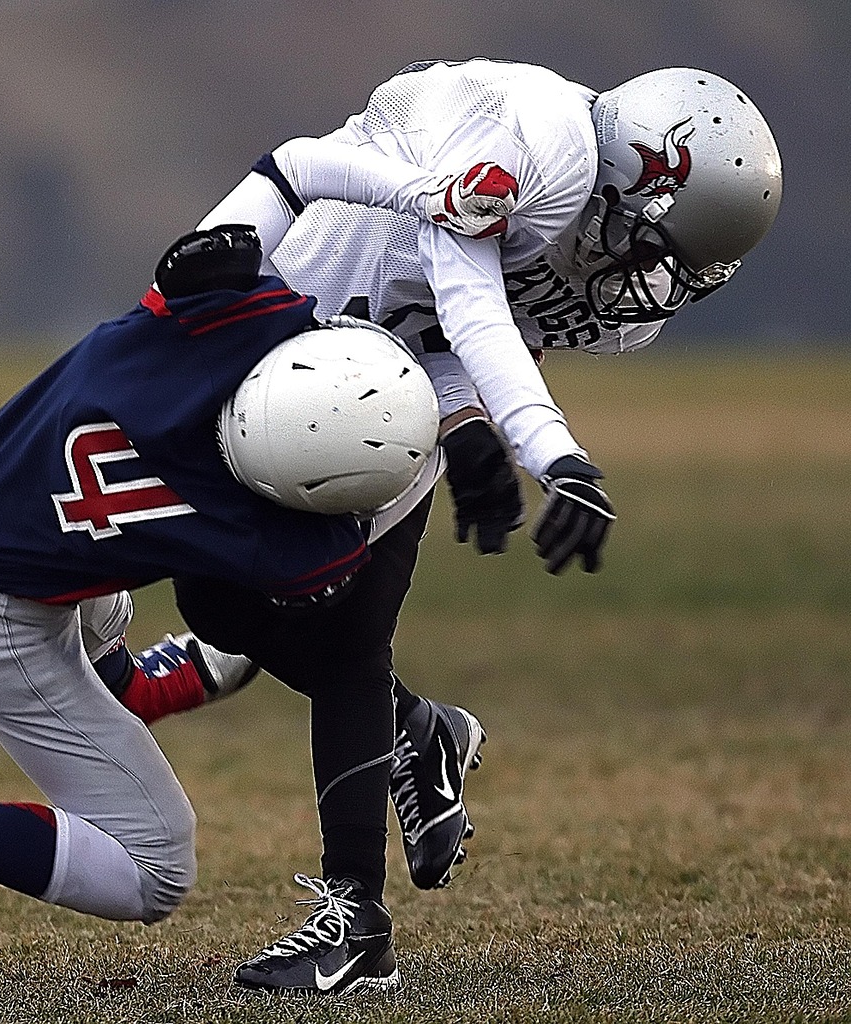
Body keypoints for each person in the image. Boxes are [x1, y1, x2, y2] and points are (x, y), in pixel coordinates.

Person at [92, 60, 783, 994]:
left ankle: (354, 918)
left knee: (349, 643)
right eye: (647, 243)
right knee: (216, 605)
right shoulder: (533, 151)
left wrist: (465, 427)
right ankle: (419, 732)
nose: (645, 279)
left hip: (383, 383)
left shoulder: (609, 284)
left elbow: (465, 333)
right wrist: (548, 454)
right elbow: (459, 282)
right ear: (628, 175)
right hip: (283, 331)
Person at [0, 223, 442, 989]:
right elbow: (324, 610)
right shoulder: (283, 543)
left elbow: (234, 225)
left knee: (124, 643)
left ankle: (158, 680)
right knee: (156, 867)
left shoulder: (210, 324)